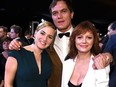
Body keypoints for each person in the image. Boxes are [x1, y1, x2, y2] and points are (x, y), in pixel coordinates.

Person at [8, 0, 112, 87]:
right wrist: (15, 43)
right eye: (55, 13)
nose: (59, 16)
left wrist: (109, 56)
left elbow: (100, 54)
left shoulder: (82, 37)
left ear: (71, 14)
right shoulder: (46, 40)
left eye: (64, 11)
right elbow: (32, 50)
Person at [4, 20, 56, 87]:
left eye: (50, 37)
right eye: (42, 33)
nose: (45, 39)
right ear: (35, 33)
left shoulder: (49, 55)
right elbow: (8, 84)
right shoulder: (16, 53)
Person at [61, 21, 110, 87]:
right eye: (79, 37)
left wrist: (101, 70)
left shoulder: (101, 62)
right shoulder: (66, 64)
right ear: (74, 40)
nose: (84, 41)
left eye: (89, 37)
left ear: (94, 41)